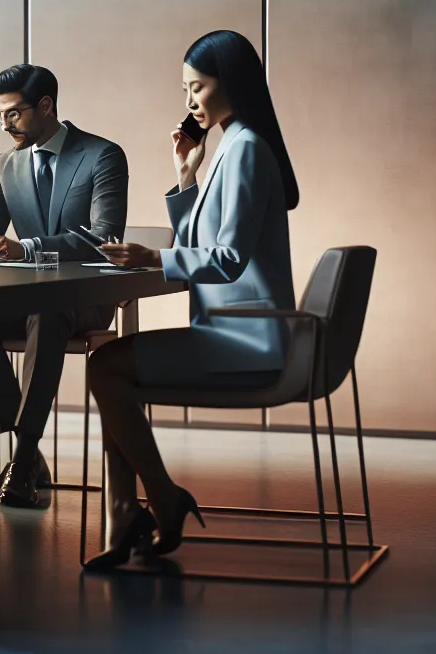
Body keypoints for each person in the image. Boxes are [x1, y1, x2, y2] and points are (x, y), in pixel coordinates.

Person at [85, 29, 299, 570]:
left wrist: (153, 260)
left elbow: (226, 259)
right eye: (186, 89)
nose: (189, 102)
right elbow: (202, 246)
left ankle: (151, 501)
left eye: (197, 87)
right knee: (111, 368)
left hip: (246, 339)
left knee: (107, 367)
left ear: (231, 83)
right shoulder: (233, 144)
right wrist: (186, 178)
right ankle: (129, 511)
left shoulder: (247, 148)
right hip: (234, 330)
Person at [0, 64, 128, 510]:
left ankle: (21, 456)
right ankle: (27, 452)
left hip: (82, 299)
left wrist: (27, 247)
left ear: (47, 106)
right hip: (30, 298)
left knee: (48, 311)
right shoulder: (5, 165)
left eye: (13, 114)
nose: (5, 125)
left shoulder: (102, 155)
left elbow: (105, 237)